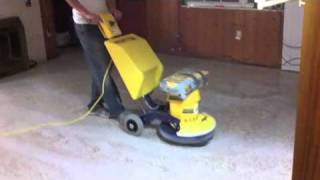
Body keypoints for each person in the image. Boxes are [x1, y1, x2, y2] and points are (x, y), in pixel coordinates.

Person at [65, 0, 125, 118]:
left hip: (105, 20)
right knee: (101, 68)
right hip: (86, 24)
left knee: (103, 65)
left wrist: (112, 9)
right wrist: (86, 14)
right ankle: (116, 109)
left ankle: (94, 104)